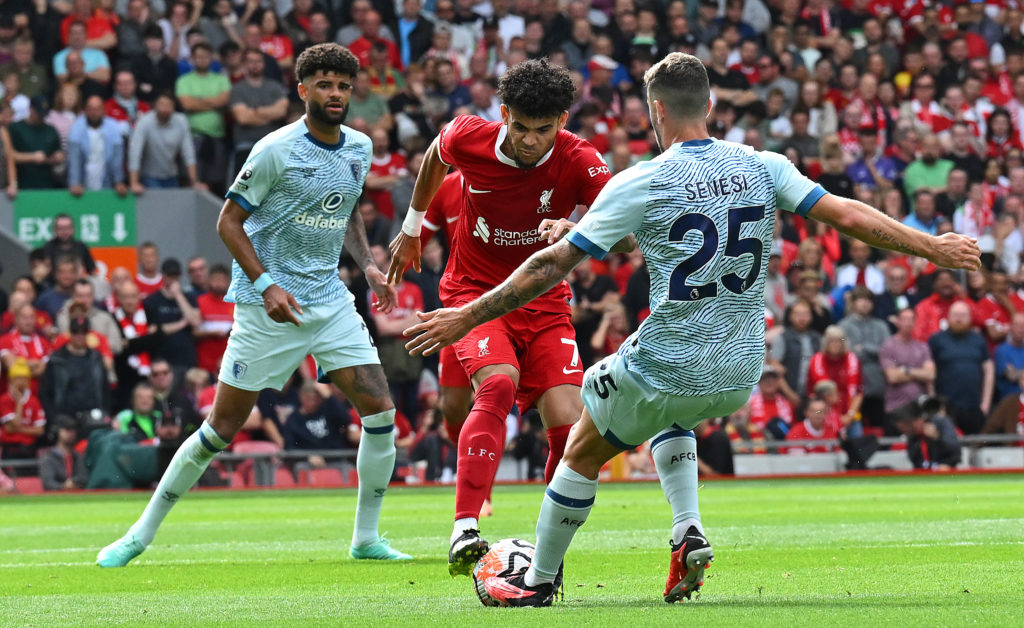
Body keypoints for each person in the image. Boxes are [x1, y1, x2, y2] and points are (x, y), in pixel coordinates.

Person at [402, 52, 980, 606]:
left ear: (655, 111)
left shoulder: (643, 179)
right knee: (669, 413)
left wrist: (468, 314)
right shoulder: (764, 163)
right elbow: (850, 215)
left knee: (581, 445)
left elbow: (553, 266)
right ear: (708, 105)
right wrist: (931, 245)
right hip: (740, 367)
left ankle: (540, 579)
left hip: (667, 358)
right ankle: (688, 532)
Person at [96, 43, 411, 568]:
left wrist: (370, 267)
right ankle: (138, 535)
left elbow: (348, 209)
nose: (335, 94)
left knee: (381, 410)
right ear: (303, 88)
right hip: (269, 306)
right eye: (325, 84)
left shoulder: (358, 146)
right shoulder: (275, 149)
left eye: (343, 85)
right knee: (221, 429)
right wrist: (266, 284)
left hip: (329, 299)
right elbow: (227, 221)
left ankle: (366, 539)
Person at [386, 59, 625, 578]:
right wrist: (413, 225)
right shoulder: (470, 136)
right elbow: (434, 154)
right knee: (495, 387)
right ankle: (465, 528)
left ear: (561, 121)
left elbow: (628, 236)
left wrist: (577, 226)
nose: (530, 140)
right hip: (473, 294)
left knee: (568, 422)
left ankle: (545, 554)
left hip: (543, 302)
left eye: (543, 130)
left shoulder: (582, 160)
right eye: (520, 127)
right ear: (503, 115)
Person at [928, 300, 993, 435]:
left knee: (975, 448)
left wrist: (986, 402)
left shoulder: (979, 340)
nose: (959, 319)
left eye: (963, 315)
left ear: (970, 318)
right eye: (955, 315)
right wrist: (933, 403)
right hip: (945, 406)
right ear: (948, 317)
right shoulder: (936, 340)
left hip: (974, 406)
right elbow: (929, 373)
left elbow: (989, 370)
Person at [128, 92, 202, 192]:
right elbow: (135, 152)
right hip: (149, 177)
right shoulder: (144, 121)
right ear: (155, 106)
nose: (164, 109)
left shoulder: (181, 121)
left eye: (168, 105)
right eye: (161, 105)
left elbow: (188, 152)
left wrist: (194, 181)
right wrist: (134, 183)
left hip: (171, 175)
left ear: (173, 107)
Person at [879, 308, 935, 419]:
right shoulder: (888, 346)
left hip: (919, 409)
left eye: (911, 319)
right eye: (904, 319)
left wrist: (906, 370)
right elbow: (892, 377)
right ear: (897, 322)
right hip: (896, 408)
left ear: (915, 322)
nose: (908, 323)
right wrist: (920, 374)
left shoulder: (922, 347)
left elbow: (930, 375)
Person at [66, 94, 127, 196]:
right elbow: (74, 158)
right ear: (85, 111)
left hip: (106, 179)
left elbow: (117, 158)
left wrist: (118, 181)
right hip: (83, 180)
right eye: (90, 109)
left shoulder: (113, 127)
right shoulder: (77, 127)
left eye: (97, 109)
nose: (94, 113)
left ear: (103, 110)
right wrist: (75, 183)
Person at [890, 397, 962, 471]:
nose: (903, 431)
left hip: (948, 471)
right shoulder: (913, 436)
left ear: (914, 421)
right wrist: (934, 467)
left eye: (903, 428)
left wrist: (936, 438)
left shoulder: (941, 423)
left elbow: (955, 454)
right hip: (924, 473)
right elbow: (916, 461)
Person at [0, 358, 45, 460]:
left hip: (29, 448)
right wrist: (19, 401)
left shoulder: (34, 400)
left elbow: (40, 430)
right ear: (11, 380)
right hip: (11, 448)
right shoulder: (5, 400)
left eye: (24, 379)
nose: (21, 382)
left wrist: (16, 430)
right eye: (18, 378)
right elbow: (14, 424)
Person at [40, 415, 88, 490]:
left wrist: (73, 482)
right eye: (67, 429)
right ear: (57, 431)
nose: (71, 433)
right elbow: (48, 483)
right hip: (55, 498)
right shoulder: (48, 458)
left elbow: (83, 477)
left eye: (73, 430)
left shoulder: (78, 456)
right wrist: (63, 486)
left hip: (77, 496)